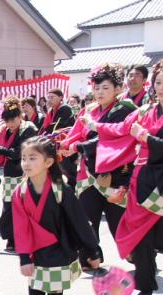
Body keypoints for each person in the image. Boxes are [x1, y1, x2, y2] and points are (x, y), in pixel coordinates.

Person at [89, 54, 163, 295]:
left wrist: (145, 138)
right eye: (158, 83)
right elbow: (121, 129)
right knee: (140, 233)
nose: (161, 88)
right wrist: (96, 126)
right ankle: (146, 286)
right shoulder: (147, 110)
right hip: (144, 179)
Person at [13, 137, 101, 295]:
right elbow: (20, 227)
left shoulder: (60, 189)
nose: (26, 163)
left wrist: (92, 251)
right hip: (37, 252)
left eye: (33, 158)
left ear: (49, 161)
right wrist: (24, 257)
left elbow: (79, 221)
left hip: (58, 250)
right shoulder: (20, 192)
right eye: (24, 158)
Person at [60, 64, 136, 268]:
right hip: (88, 173)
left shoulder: (125, 109)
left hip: (116, 173)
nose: (99, 92)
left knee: (118, 224)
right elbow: (77, 133)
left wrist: (76, 146)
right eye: (96, 88)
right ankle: (90, 256)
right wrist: (65, 145)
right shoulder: (90, 110)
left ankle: (140, 257)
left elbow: (110, 139)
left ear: (118, 88)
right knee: (86, 218)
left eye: (105, 88)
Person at [0, 96, 37, 251]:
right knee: (8, 208)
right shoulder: (3, 130)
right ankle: (11, 238)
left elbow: (20, 152)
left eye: (13, 120)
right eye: (7, 121)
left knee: (26, 209)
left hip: (27, 174)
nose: (10, 124)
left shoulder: (29, 129)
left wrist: (1, 150)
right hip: (10, 174)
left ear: (21, 116)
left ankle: (29, 238)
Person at [40, 88, 77, 186]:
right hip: (56, 144)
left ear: (61, 97)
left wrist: (45, 135)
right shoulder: (50, 111)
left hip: (66, 143)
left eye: (52, 97)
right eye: (48, 98)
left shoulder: (65, 108)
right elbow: (45, 127)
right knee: (59, 171)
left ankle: (72, 194)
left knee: (69, 172)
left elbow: (57, 126)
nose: (49, 100)